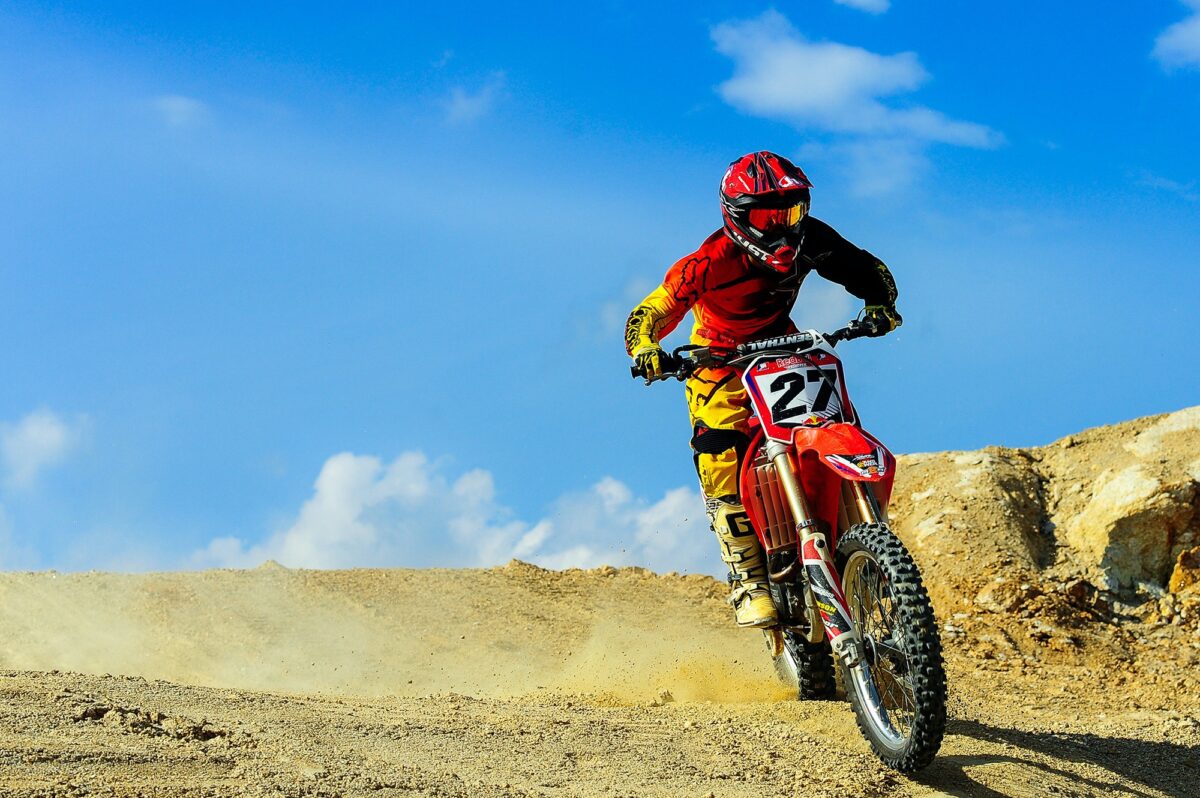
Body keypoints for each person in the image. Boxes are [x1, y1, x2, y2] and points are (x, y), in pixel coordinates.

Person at [624, 151, 901, 628]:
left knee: (833, 420)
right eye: (768, 216)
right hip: (718, 359)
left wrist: (880, 304)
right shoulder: (709, 262)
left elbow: (867, 270)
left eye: (791, 211)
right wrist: (646, 348)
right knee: (719, 451)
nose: (783, 226)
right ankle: (748, 578)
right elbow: (651, 310)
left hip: (783, 346)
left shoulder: (813, 238)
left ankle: (857, 536)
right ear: (736, 216)